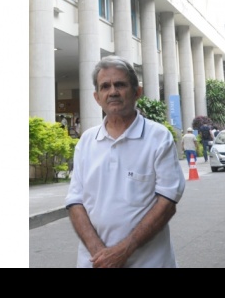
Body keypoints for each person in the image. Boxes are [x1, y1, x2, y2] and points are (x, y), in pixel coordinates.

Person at [65, 55, 185, 268]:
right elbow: (75, 201)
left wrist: (123, 251)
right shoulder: (86, 141)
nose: (112, 92)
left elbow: (167, 203)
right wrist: (100, 253)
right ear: (97, 97)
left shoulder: (158, 137)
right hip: (95, 262)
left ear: (137, 91)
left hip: (149, 262)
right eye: (105, 86)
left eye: (120, 84)